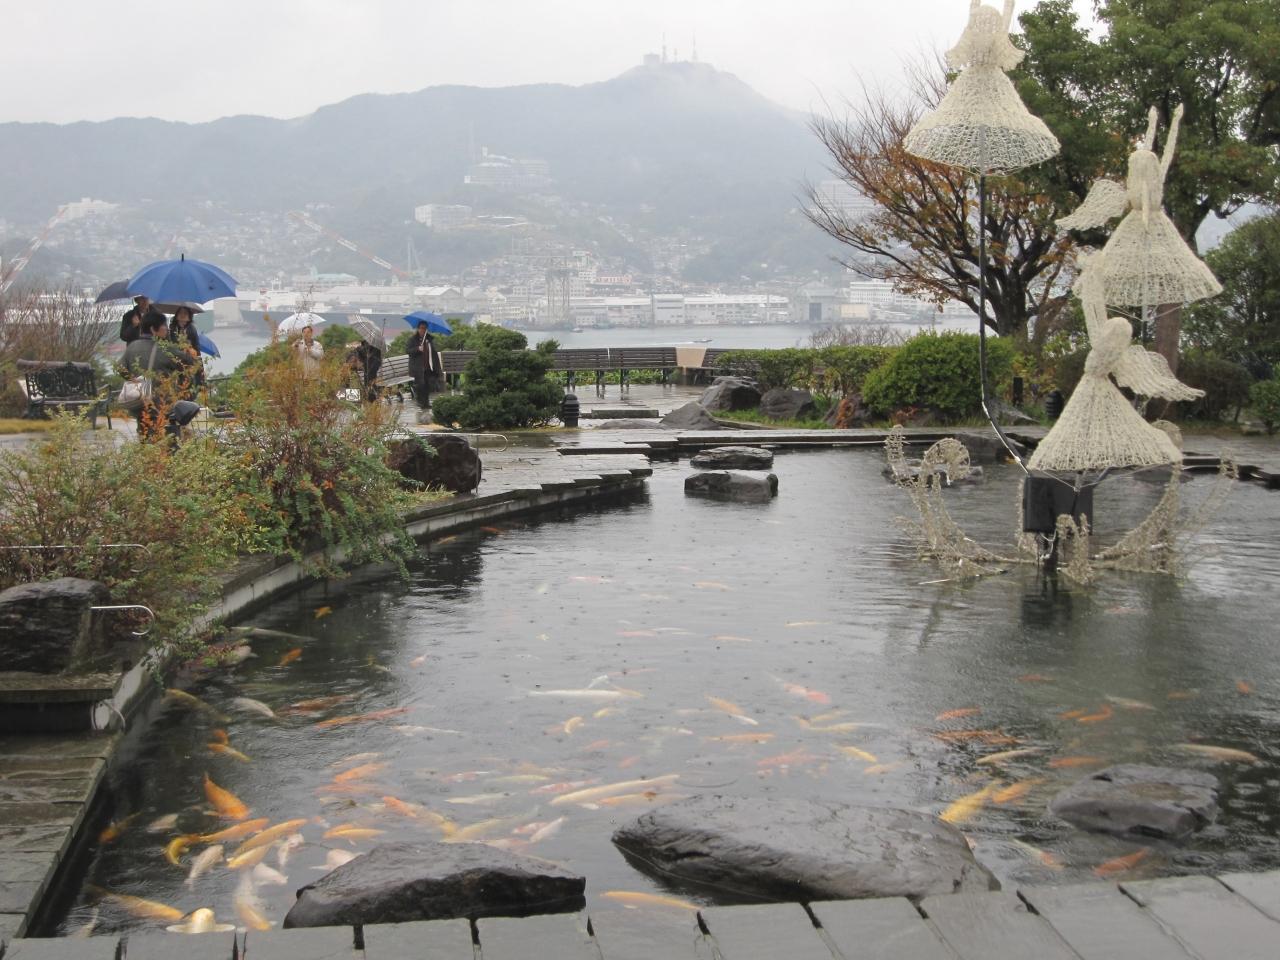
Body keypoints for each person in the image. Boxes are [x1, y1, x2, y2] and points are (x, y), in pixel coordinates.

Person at [121, 313, 196, 440]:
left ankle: (146, 450)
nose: (166, 328)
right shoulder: (164, 348)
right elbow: (190, 363)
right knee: (166, 438)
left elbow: (120, 369)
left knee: (144, 433)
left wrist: (137, 380)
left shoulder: (132, 346)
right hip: (162, 404)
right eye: (164, 325)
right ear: (153, 329)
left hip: (139, 401)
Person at [406, 321, 439, 408]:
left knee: (427, 385)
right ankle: (420, 402)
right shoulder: (412, 339)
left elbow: (433, 353)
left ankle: (426, 403)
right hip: (417, 367)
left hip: (428, 366)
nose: (423, 330)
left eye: (425, 328)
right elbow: (408, 351)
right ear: (418, 328)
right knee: (420, 385)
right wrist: (418, 349)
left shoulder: (429, 339)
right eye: (421, 328)